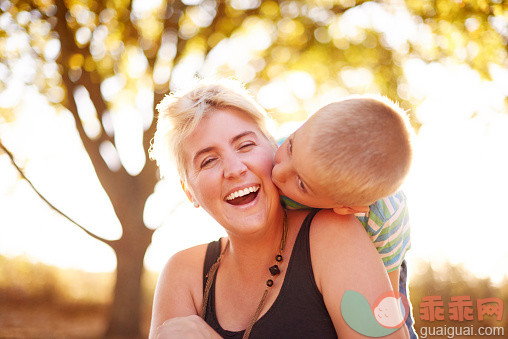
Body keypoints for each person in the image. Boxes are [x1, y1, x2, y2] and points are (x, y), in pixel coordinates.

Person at [148, 80, 409, 338]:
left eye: (245, 145)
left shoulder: (337, 232)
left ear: (272, 147)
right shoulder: (182, 274)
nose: (235, 169)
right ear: (189, 192)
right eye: (208, 161)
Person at [271, 96, 415, 336]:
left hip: (378, 269)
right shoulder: (279, 150)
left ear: (346, 208)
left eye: (301, 184)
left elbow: (384, 296)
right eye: (290, 147)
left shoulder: (386, 216)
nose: (278, 172)